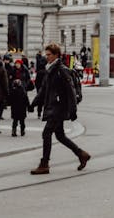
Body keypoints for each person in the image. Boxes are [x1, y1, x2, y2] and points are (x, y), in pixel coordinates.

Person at [30, 43, 90, 175]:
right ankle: (81, 154)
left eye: (49, 55)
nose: (47, 57)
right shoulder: (50, 69)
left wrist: (73, 111)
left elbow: (71, 92)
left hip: (58, 108)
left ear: (56, 55)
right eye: (46, 55)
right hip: (53, 107)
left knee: (46, 134)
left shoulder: (61, 70)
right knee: (60, 135)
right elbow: (43, 90)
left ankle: (44, 164)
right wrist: (33, 104)